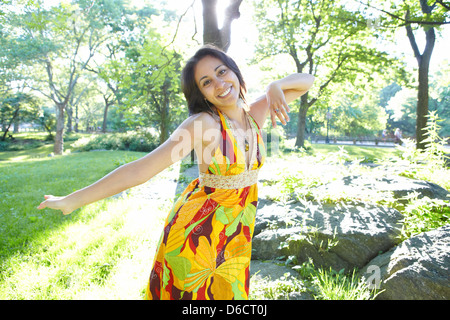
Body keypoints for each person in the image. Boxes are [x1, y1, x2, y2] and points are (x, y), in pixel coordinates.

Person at [37, 45, 314, 300]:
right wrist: (72, 200)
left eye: (222, 72)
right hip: (196, 237)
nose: (219, 84)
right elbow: (140, 170)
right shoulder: (203, 124)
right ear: (201, 94)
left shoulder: (254, 113)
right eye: (206, 82)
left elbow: (306, 82)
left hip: (235, 237)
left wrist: (275, 85)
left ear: (234, 72)